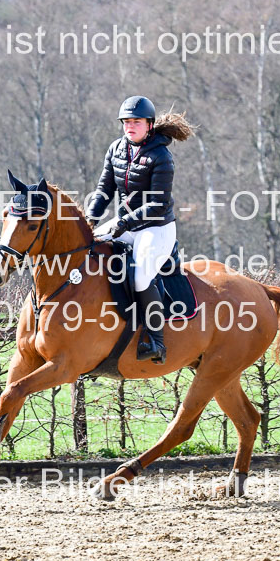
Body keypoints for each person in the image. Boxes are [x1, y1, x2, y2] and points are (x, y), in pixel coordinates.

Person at [86, 95, 193, 364]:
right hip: (126, 223)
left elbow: (158, 204)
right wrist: (91, 219)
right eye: (126, 122)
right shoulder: (116, 149)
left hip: (156, 228)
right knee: (88, 250)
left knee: (140, 278)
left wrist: (122, 224)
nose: (129, 126)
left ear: (149, 125)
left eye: (135, 122)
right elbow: (104, 190)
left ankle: (157, 341)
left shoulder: (161, 156)